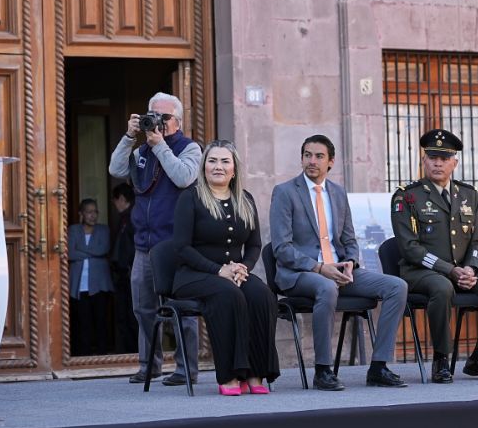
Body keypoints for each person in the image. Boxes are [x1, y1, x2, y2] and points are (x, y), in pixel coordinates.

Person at [271, 135, 409, 390]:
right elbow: (281, 248)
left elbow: (349, 239)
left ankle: (379, 367)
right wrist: (320, 268)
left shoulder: (337, 193)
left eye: (319, 156)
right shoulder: (285, 192)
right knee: (326, 287)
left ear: (331, 162)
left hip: (339, 271)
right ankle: (323, 370)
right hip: (301, 273)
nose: (312, 161)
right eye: (307, 155)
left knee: (396, 286)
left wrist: (350, 263)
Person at [389, 129, 478, 383]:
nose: (438, 163)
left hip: (461, 271)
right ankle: (441, 358)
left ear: (454, 163)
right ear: (423, 161)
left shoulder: (468, 194)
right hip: (421, 271)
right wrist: (450, 270)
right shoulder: (407, 196)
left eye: (444, 158)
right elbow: (409, 248)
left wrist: (472, 269)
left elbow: (477, 241)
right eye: (432, 157)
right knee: (442, 287)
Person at [170, 140, 279, 395]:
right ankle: (230, 375)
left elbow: (254, 245)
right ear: (204, 166)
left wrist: (244, 268)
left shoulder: (246, 199)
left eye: (224, 161)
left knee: (261, 295)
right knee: (228, 294)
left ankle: (254, 373)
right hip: (194, 275)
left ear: (234, 169)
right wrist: (218, 270)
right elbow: (182, 248)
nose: (218, 166)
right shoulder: (191, 198)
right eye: (212, 161)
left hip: (235, 274)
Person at [108, 93, 202, 387]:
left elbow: (184, 177)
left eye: (164, 118)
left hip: (176, 244)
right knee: (143, 308)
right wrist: (128, 136)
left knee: (182, 310)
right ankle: (149, 365)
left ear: (178, 121)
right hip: (144, 245)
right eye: (152, 115)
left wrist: (160, 146)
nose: (157, 122)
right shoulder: (142, 150)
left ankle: (187, 369)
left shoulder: (190, 148)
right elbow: (116, 170)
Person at [67, 199, 113, 356]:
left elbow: (103, 249)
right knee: (82, 322)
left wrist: (81, 251)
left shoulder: (103, 230)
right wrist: (91, 254)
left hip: (99, 284)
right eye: (89, 212)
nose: (93, 215)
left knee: (100, 321)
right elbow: (69, 253)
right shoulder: (73, 230)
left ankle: (102, 354)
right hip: (78, 285)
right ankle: (83, 355)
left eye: (95, 212)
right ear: (81, 214)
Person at [109, 183, 139, 353]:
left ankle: (135, 354)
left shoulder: (133, 218)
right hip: (122, 275)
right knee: (124, 316)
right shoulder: (124, 218)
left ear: (121, 198)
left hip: (130, 274)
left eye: (115, 201)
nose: (115, 205)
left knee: (132, 316)